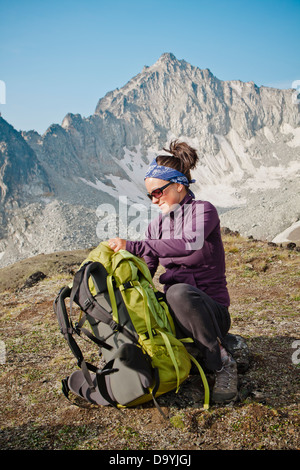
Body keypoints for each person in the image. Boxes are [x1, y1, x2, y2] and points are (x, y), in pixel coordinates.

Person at [108, 140, 238, 404]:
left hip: (210, 311)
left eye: (158, 192)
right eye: (150, 196)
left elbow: (189, 243)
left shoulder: (203, 211)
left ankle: (222, 362)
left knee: (177, 292)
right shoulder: (155, 227)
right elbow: (146, 270)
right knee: (147, 301)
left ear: (179, 185)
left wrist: (133, 244)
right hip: (177, 311)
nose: (155, 200)